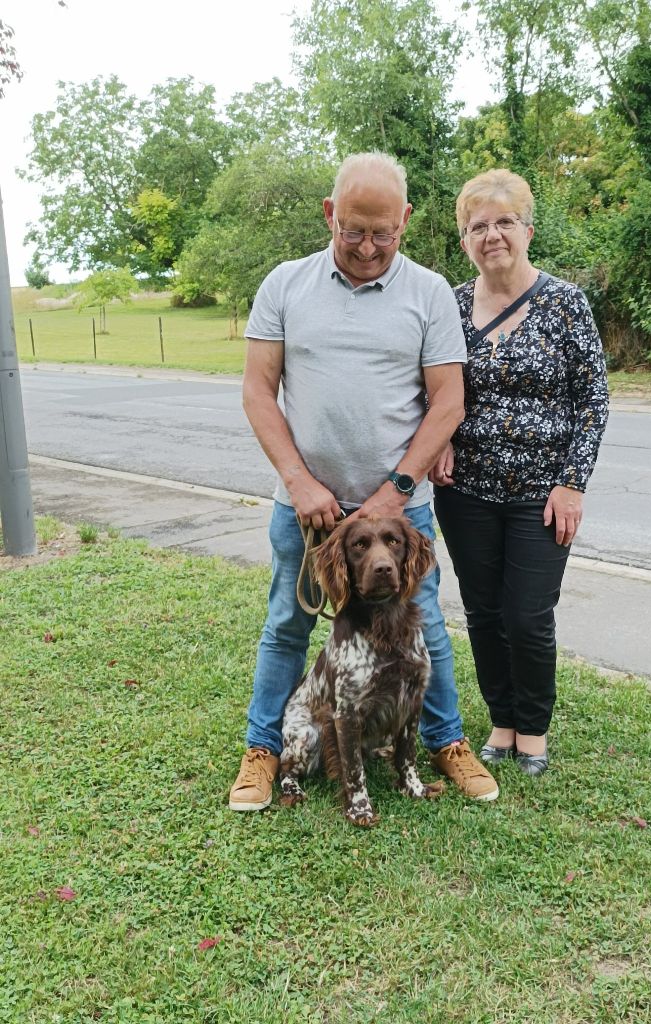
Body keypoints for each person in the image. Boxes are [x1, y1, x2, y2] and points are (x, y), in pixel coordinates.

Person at [229, 152, 500, 812]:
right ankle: (263, 750)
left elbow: (448, 402)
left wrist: (396, 490)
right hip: (308, 510)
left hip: (399, 509)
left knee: (424, 625)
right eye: (354, 230)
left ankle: (446, 741)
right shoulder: (285, 285)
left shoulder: (429, 291)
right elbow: (259, 392)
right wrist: (298, 481)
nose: (370, 246)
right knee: (288, 622)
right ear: (330, 214)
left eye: (385, 233)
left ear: (405, 220)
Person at [430, 169, 609, 777]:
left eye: (504, 221)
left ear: (528, 230)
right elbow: (428, 385)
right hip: (466, 492)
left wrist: (572, 481)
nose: (492, 234)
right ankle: (500, 721)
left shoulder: (565, 304)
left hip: (543, 494)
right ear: (464, 241)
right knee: (482, 611)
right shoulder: (448, 306)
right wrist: (439, 439)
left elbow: (593, 400)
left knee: (527, 615)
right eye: (477, 225)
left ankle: (532, 728)